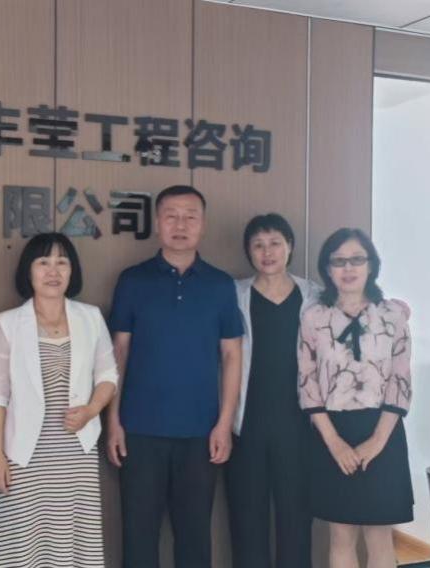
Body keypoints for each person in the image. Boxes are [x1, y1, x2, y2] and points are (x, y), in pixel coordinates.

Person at [105, 185, 244, 568]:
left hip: (201, 433)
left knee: (195, 537)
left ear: (203, 224)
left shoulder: (220, 284)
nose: (180, 225)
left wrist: (224, 424)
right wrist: (113, 421)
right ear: (157, 223)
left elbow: (232, 355)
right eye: (171, 216)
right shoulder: (133, 280)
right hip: (139, 431)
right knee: (138, 535)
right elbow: (118, 353)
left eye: (190, 217)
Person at [0, 233, 118, 567]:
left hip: (76, 454)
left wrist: (92, 410)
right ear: (28, 272)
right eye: (43, 262)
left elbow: (108, 376)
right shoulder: (8, 323)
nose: (53, 271)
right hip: (24, 456)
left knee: (73, 546)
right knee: (22, 548)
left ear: (73, 271)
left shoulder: (90, 317)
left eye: (62, 262)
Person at [299, 228, 414, 568]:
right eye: (338, 261)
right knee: (341, 535)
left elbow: (400, 380)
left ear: (371, 265)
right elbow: (307, 382)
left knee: (379, 536)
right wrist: (335, 443)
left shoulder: (393, 315)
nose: (348, 268)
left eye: (356, 259)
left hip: (383, 430)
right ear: (327, 268)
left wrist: (376, 442)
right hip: (332, 432)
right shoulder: (313, 317)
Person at [226, 213, 322, 568]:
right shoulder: (234, 294)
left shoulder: (315, 295)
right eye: (258, 245)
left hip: (298, 425)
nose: (267, 252)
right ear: (248, 251)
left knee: (296, 518)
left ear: (290, 247)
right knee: (246, 519)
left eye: (275, 243)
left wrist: (395, 307)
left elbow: (356, 307)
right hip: (245, 423)